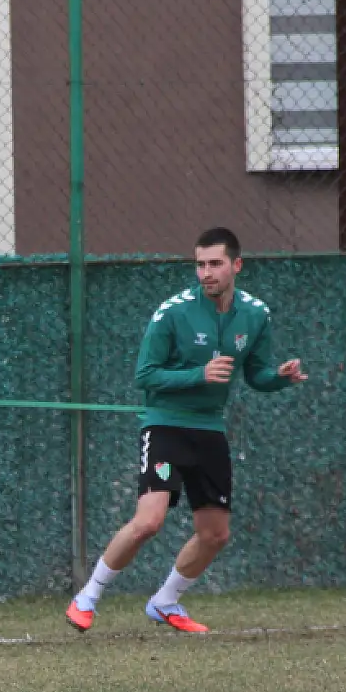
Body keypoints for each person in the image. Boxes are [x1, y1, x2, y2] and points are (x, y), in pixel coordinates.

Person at [66, 227, 307, 634]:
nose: (206, 273)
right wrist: (199, 374)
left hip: (210, 431)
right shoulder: (172, 312)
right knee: (149, 522)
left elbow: (257, 375)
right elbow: (146, 375)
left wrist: (281, 377)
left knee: (215, 534)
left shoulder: (255, 314)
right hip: (165, 428)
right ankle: (87, 596)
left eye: (215, 264)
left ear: (237, 265)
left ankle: (165, 602)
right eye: (200, 264)